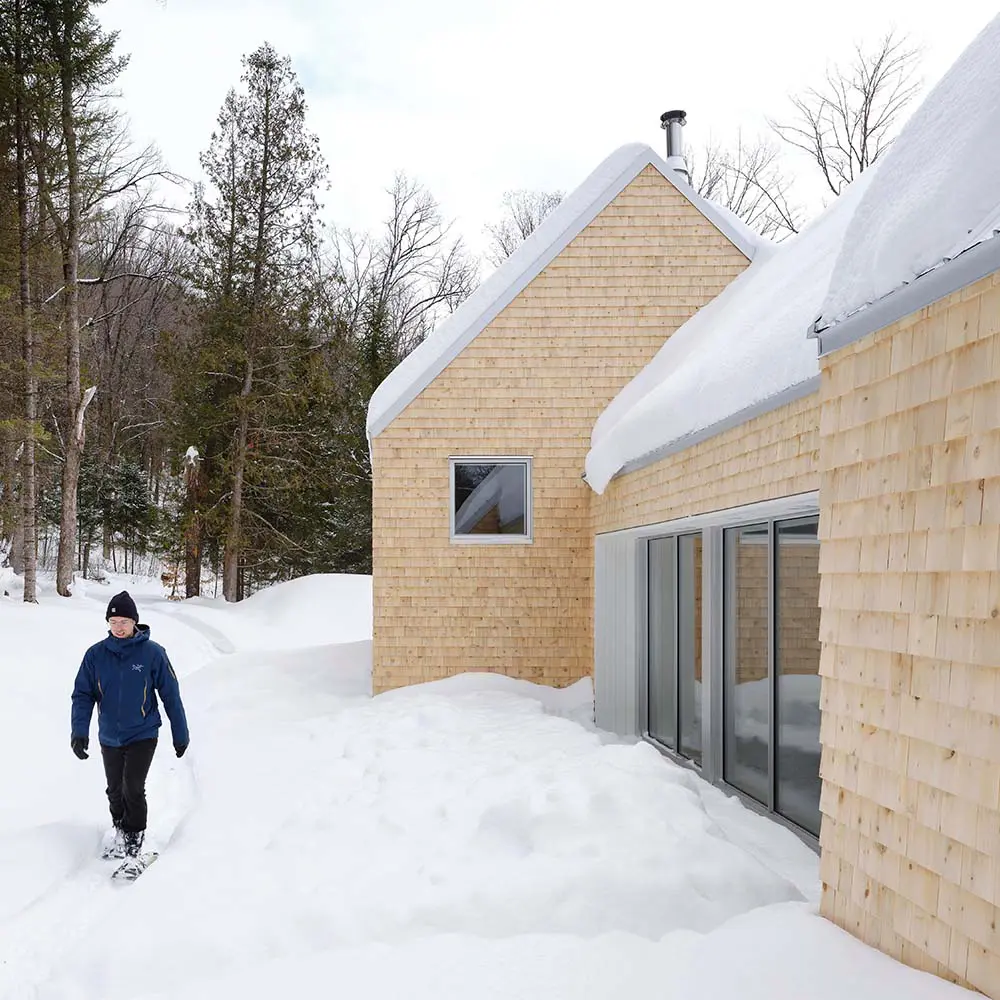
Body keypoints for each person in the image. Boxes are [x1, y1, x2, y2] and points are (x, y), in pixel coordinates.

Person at [70, 590, 190, 864]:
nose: (119, 627)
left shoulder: (153, 653)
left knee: (132, 786)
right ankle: (120, 829)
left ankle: (134, 838)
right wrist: (79, 732)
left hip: (143, 732)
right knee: (114, 790)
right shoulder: (95, 655)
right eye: (114, 622)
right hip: (110, 735)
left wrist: (180, 734)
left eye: (124, 621)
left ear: (134, 621)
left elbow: (170, 694)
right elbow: (82, 695)